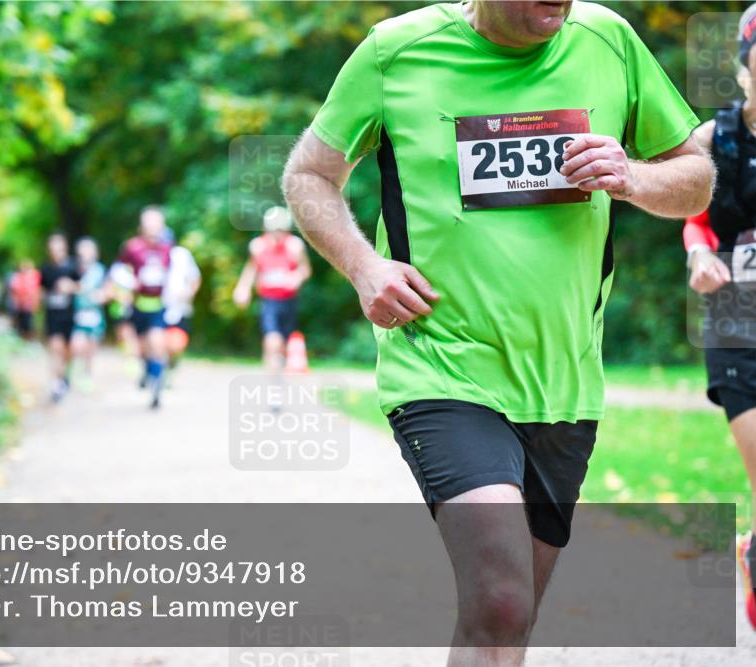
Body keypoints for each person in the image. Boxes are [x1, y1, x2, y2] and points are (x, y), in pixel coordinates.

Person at [281, 1, 713, 663]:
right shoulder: (396, 51)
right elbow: (308, 173)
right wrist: (364, 267)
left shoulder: (610, 40)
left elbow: (696, 181)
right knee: (501, 600)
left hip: (564, 380)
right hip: (440, 366)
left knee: (510, 619)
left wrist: (633, 176)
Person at [683, 3, 756, 629]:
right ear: (744, 69)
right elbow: (695, 217)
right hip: (736, 323)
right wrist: (700, 253)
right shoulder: (715, 139)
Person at [233, 206, 312, 372]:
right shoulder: (258, 246)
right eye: (273, 230)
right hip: (269, 300)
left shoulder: (294, 246)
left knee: (284, 343)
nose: (277, 234)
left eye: (280, 230)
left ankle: (277, 370)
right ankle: (271, 376)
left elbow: (305, 269)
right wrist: (243, 288)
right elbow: (251, 269)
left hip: (289, 300)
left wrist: (296, 277)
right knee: (272, 339)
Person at [117, 205, 174, 409]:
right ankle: (149, 372)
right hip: (137, 305)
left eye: (156, 222)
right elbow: (119, 271)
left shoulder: (168, 249)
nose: (152, 226)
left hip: (158, 305)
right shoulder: (132, 247)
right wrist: (129, 284)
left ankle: (157, 383)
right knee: (142, 348)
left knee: (157, 343)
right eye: (149, 222)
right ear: (141, 225)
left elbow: (175, 275)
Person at [40, 233, 80, 403]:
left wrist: (70, 287)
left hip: (70, 316)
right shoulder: (45, 269)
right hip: (52, 316)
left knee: (68, 351)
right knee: (55, 349)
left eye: (58, 248)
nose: (55, 251)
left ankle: (65, 375)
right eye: (52, 248)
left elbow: (82, 287)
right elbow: (41, 290)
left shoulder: (73, 266)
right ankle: (56, 385)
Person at [71, 237, 108, 391]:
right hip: (77, 314)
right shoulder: (74, 269)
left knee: (91, 347)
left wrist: (102, 296)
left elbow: (108, 290)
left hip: (94, 315)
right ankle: (74, 369)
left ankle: (87, 374)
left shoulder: (100, 270)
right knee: (77, 344)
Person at [162, 241, 202, 373]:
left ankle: (171, 363)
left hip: (180, 308)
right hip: (158, 306)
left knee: (176, 344)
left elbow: (195, 278)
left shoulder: (181, 255)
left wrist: (189, 294)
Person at [8, 259, 40, 341]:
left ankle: (29, 338)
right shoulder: (17, 277)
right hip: (20, 304)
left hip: (29, 305)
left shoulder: (34, 276)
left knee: (29, 323)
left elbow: (36, 290)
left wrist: (35, 303)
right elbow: (14, 291)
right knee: (20, 323)